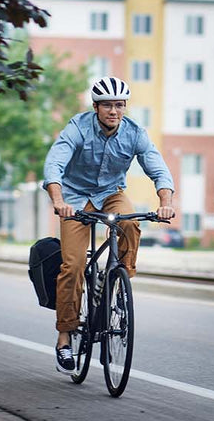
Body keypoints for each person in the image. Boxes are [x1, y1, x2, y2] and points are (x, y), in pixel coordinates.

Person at [43, 76, 175, 373]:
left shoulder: (134, 133)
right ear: (96, 107)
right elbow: (55, 164)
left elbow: (158, 168)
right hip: (75, 198)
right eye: (107, 106)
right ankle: (64, 337)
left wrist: (165, 202)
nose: (113, 111)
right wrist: (58, 199)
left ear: (124, 108)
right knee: (73, 266)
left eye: (119, 105)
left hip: (110, 194)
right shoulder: (77, 128)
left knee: (130, 224)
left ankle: (117, 279)